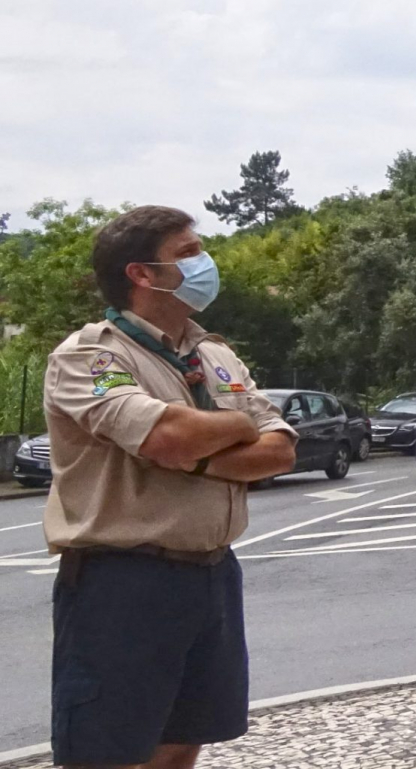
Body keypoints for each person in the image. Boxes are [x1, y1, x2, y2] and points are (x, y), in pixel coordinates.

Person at [42, 205, 298, 768]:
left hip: (210, 572)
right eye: (187, 253)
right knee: (110, 751)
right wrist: (233, 427)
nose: (205, 261)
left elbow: (279, 449)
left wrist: (196, 458)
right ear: (142, 274)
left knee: (185, 740)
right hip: (124, 579)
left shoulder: (214, 355)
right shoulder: (94, 356)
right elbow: (168, 436)